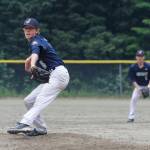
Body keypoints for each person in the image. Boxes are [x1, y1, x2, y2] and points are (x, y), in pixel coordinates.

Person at [7, 18, 70, 136]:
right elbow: (31, 57)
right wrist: (29, 65)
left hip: (58, 75)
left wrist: (32, 65)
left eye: (31, 28)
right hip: (54, 76)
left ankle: (24, 123)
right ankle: (41, 128)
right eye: (26, 28)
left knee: (40, 99)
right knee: (28, 101)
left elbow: (35, 54)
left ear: (37, 30)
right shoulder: (39, 41)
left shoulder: (36, 42)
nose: (28, 31)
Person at [127, 50, 150, 123]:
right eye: (138, 56)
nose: (140, 58)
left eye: (141, 56)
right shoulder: (133, 67)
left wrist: (148, 87)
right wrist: (138, 88)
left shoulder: (148, 66)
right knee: (133, 99)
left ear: (144, 57)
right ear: (136, 57)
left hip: (148, 85)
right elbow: (132, 80)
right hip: (138, 86)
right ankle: (131, 117)